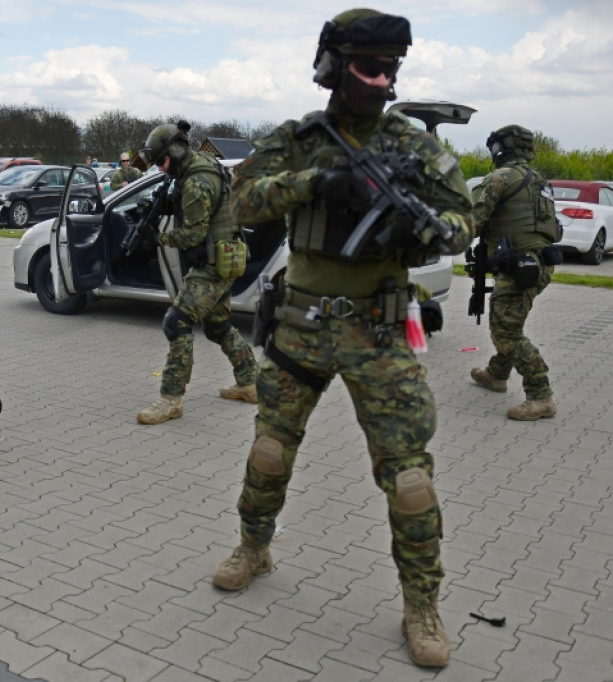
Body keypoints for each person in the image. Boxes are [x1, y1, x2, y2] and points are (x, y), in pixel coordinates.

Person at [213, 9, 473, 669]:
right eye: (368, 62)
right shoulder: (298, 139)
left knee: (410, 478)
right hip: (300, 326)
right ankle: (254, 545)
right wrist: (316, 184)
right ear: (334, 63)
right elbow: (235, 206)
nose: (381, 76)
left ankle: (422, 604)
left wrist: (427, 231)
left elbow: (462, 221)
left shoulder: (415, 146)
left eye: (391, 65)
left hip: (379, 329)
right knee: (269, 451)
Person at [135, 120, 258, 425]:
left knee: (176, 322)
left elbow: (192, 234)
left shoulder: (196, 182)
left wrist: (158, 239)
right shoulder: (202, 164)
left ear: (176, 152)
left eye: (162, 162)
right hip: (225, 256)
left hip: (214, 264)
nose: (161, 169)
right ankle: (251, 382)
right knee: (217, 326)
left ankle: (170, 399)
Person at [469, 126, 560, 420]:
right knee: (511, 323)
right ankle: (495, 374)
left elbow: (473, 223)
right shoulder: (541, 182)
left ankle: (540, 396)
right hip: (540, 265)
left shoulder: (500, 178)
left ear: (499, 149)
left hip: (518, 265)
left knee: (505, 332)